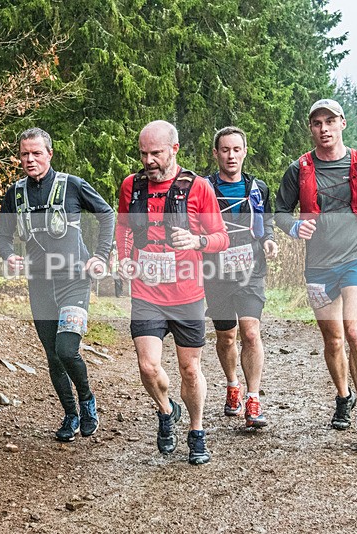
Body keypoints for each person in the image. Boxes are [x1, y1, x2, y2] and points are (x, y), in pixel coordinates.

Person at [275, 99, 357, 443]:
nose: (324, 128)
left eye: (330, 121)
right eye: (317, 123)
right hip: (318, 266)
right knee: (333, 339)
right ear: (310, 128)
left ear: (342, 123)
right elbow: (281, 211)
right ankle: (343, 396)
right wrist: (295, 228)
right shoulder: (298, 169)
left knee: (355, 331)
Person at [116, 120, 228, 464]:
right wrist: (123, 258)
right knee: (148, 367)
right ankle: (166, 411)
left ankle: (196, 431)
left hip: (187, 293)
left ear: (174, 150)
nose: (149, 160)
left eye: (156, 153)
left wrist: (197, 241)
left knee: (189, 369)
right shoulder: (131, 186)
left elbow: (221, 237)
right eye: (144, 153)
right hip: (146, 291)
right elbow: (122, 228)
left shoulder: (198, 188)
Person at [0, 127, 115, 442]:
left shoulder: (72, 186)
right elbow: (2, 235)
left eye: (36, 153)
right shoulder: (15, 193)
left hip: (74, 280)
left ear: (49, 153)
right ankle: (70, 415)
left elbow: (107, 214)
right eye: (24, 154)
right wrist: (8, 256)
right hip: (39, 284)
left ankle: (87, 400)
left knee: (67, 348)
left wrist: (101, 255)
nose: (30, 159)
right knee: (52, 354)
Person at [203, 127, 279, 428]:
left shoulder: (258, 187)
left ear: (245, 151)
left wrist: (269, 239)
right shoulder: (204, 188)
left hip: (251, 269)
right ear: (216, 153)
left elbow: (267, 220)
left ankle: (253, 398)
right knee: (226, 336)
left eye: (236, 149)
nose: (231, 155)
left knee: (250, 332)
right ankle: (232, 384)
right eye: (225, 150)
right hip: (216, 271)